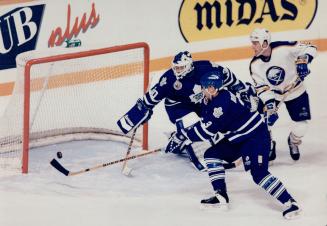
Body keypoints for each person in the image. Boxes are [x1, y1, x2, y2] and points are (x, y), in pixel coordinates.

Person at [164, 70, 301, 219]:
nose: (208, 90)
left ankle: (290, 202)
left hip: (255, 138)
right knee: (211, 155)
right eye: (206, 87)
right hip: (237, 138)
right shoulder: (211, 99)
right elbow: (248, 90)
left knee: (259, 174)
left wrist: (182, 136)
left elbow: (205, 132)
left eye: (211, 87)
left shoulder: (220, 105)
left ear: (217, 88)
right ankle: (221, 195)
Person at [117, 51, 257, 170]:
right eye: (175, 67)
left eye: (181, 67)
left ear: (190, 66)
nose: (177, 71)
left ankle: (179, 141)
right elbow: (148, 100)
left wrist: (241, 89)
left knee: (214, 126)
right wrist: (136, 116)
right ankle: (200, 155)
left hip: (201, 102)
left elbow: (226, 75)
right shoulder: (168, 79)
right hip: (178, 107)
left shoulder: (205, 67)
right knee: (192, 125)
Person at [249, 28, 317, 161]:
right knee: (264, 123)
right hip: (274, 95)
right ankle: (269, 144)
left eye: (255, 42)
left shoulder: (284, 47)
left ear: (264, 43)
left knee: (302, 126)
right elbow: (262, 88)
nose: (252, 46)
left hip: (296, 90)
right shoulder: (255, 65)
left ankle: (293, 141)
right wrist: (270, 106)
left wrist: (304, 60)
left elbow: (310, 47)